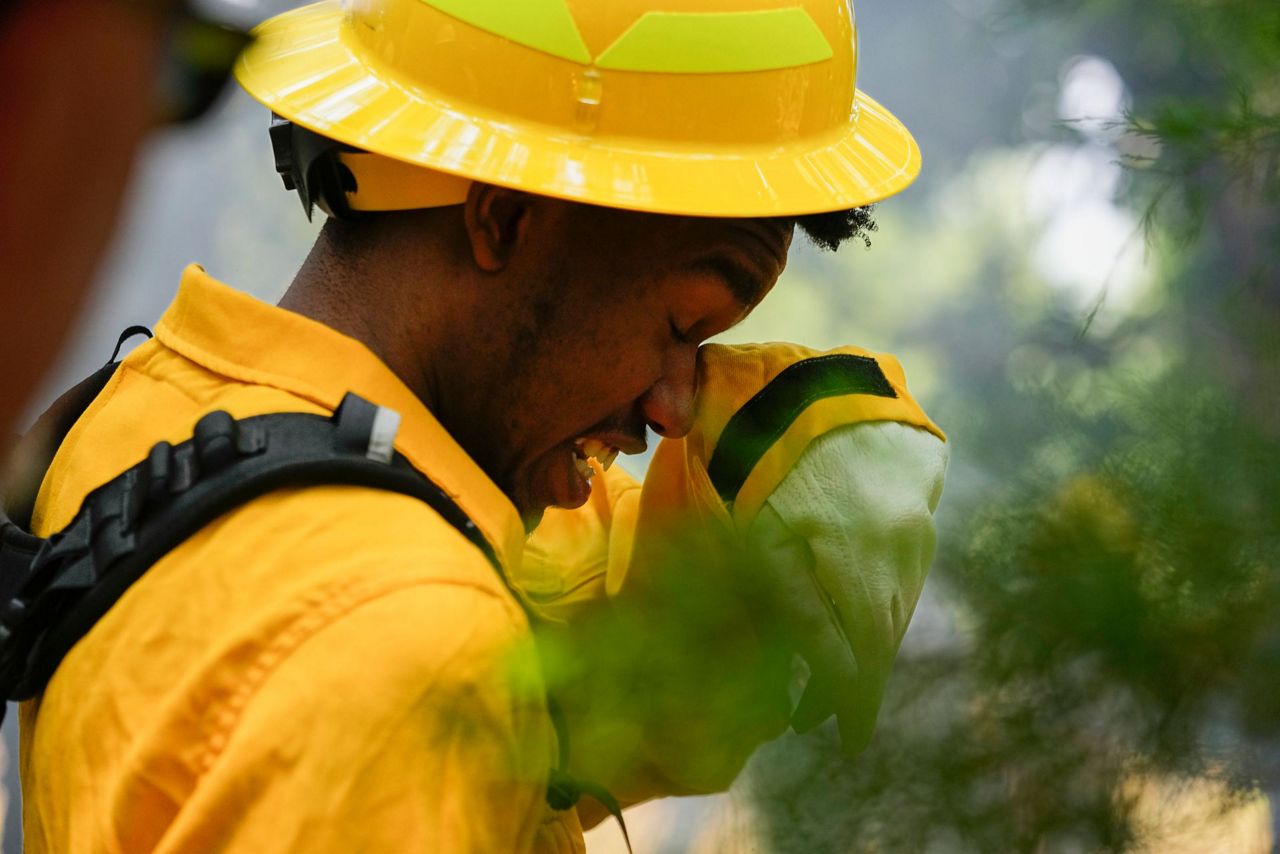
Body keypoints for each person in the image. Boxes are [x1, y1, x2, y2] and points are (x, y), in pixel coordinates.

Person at [17, 1, 948, 851]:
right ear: (503, 218)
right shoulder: (405, 656)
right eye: (681, 326)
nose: (674, 408)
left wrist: (734, 520)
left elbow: (599, 656)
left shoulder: (164, 413)